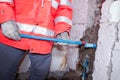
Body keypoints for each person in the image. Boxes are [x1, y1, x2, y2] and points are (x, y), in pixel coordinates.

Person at [0, 0, 72, 80]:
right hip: (12, 35)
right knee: (3, 73)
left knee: (40, 74)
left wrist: (62, 29)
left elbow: (64, 9)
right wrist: (5, 19)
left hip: (43, 40)